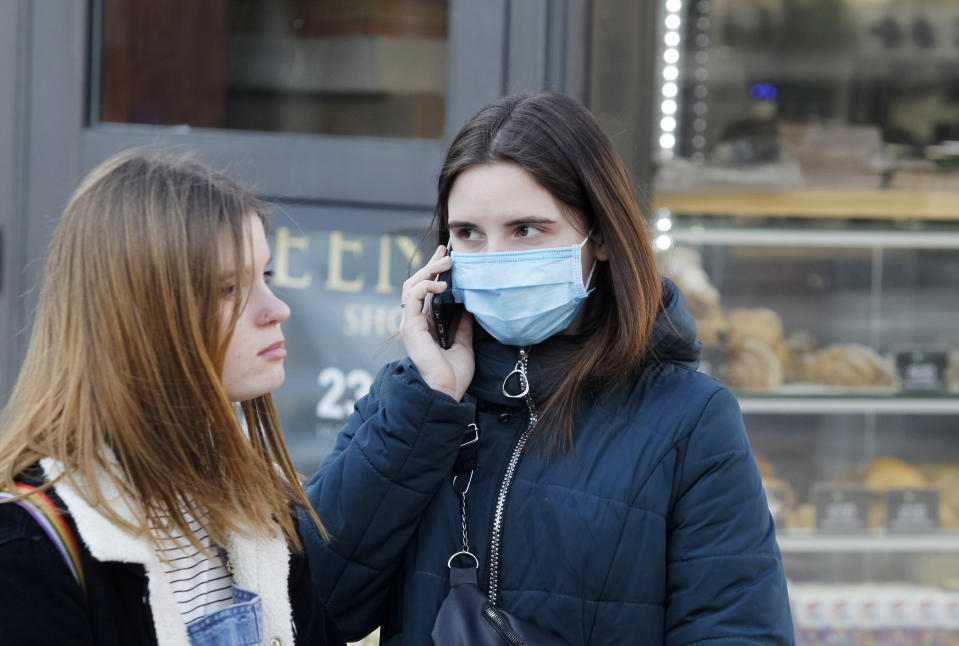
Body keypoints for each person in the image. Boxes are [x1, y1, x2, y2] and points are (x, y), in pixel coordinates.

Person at [300, 92, 794, 645]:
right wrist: (428, 406)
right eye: (468, 233)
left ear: (600, 237)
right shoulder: (413, 401)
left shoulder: (691, 419)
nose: (492, 259)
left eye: (526, 230)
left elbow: (738, 630)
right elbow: (315, 606)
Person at [0, 150, 345, 646]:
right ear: (138, 316)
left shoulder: (257, 505)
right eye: (230, 288)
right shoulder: (28, 544)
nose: (278, 309)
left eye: (264, 276)